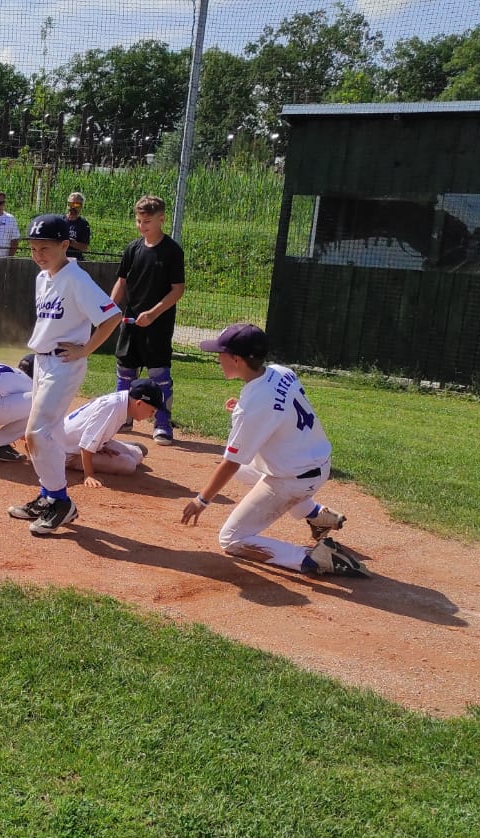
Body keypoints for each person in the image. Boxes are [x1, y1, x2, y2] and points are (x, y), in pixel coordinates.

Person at [180, 324, 362, 576]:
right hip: (316, 461)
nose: (218, 358)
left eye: (221, 353)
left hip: (293, 480)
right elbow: (278, 410)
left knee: (231, 539)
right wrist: (248, 410)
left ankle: (313, 558)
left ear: (237, 359)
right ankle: (317, 515)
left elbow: (231, 462)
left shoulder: (254, 405)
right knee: (244, 471)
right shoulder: (281, 372)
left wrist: (201, 500)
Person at [7, 214, 123, 536]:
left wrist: (85, 350)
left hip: (63, 364)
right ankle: (48, 496)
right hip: (42, 362)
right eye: (33, 248)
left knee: (35, 433)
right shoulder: (42, 277)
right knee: (52, 434)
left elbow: (112, 317)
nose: (38, 254)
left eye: (45, 248)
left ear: (65, 245)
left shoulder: (76, 278)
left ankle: (61, 502)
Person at [111, 194, 185, 445]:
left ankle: (162, 423)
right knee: (125, 371)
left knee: (159, 374)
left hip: (158, 324)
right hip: (131, 322)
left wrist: (153, 313)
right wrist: (109, 309)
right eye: (139, 221)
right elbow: (121, 282)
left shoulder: (172, 251)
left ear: (161, 219)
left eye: (147, 221)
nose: (142, 226)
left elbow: (178, 290)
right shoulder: (133, 249)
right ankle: (121, 417)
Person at [58, 379, 163, 486]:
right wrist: (89, 475)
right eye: (152, 411)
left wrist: (100, 446)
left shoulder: (123, 401)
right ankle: (94, 448)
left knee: (138, 455)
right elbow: (85, 445)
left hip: (78, 440)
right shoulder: (112, 408)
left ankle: (99, 444)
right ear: (139, 403)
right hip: (67, 453)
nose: (151, 415)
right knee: (128, 465)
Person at [63, 191, 91, 257]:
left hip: (75, 259)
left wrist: (70, 242)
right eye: (71, 204)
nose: (73, 207)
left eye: (76, 205)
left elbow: (84, 248)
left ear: (81, 206)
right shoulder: (60, 220)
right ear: (67, 205)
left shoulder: (84, 224)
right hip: (59, 257)